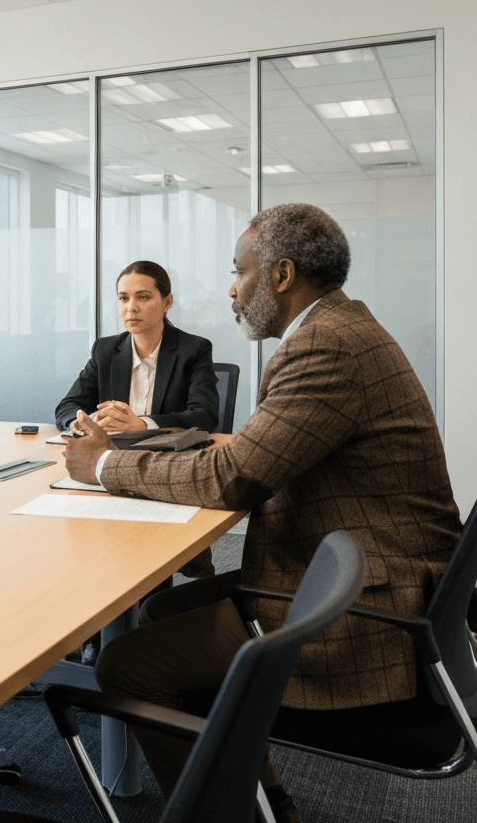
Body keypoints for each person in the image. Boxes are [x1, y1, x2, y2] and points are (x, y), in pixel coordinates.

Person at [64, 203, 461, 823]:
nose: (230, 287)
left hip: (365, 611)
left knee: (127, 664)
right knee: (164, 606)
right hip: (366, 569)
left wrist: (104, 467)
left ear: (279, 275)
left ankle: (222, 811)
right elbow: (266, 453)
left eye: (238, 270)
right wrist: (236, 446)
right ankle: (265, 795)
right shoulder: (340, 328)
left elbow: (232, 480)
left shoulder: (326, 345)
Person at [55, 260, 218, 435]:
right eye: (123, 298)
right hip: (112, 452)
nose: (131, 308)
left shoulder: (194, 349)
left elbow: (205, 416)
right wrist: (79, 423)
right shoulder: (105, 350)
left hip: (167, 456)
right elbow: (67, 407)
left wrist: (143, 424)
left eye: (143, 297)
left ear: (167, 302)